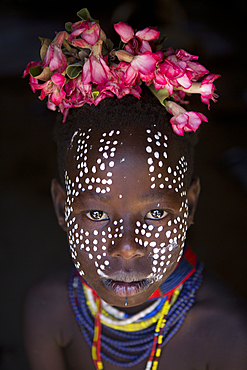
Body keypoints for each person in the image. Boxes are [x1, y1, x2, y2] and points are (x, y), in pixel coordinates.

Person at [23, 8, 247, 370]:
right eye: (96, 214)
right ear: (60, 206)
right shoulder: (49, 310)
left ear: (189, 207)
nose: (126, 247)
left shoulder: (225, 333)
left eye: (157, 213)